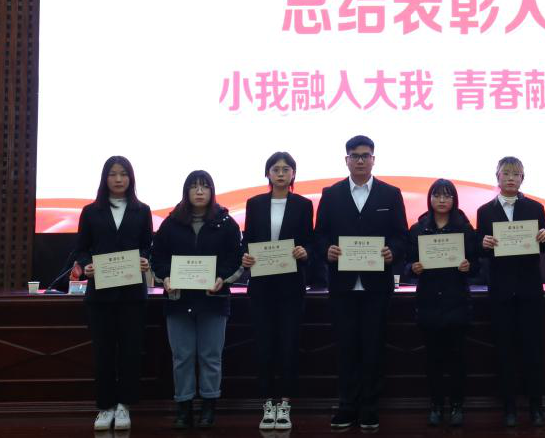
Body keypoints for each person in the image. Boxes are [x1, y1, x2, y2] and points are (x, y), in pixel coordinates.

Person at [314, 135, 408, 432]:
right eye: (354, 156)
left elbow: (402, 236)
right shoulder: (331, 194)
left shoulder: (390, 194)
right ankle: (346, 406)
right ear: (346, 160)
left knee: (373, 347)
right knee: (346, 348)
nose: (360, 160)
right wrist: (326, 250)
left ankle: (369, 407)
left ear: (373, 160)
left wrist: (393, 252)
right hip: (342, 285)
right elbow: (320, 235)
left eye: (365, 156)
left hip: (377, 285)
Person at [151, 170, 243, 429]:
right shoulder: (171, 223)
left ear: (212, 191)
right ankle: (184, 407)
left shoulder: (226, 223)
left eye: (205, 186)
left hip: (213, 300)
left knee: (210, 356)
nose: (199, 191)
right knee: (182, 356)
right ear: (186, 191)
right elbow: (157, 258)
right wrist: (165, 278)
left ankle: (209, 406)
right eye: (194, 187)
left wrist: (222, 279)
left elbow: (236, 259)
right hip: (178, 301)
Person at [74, 156, 154, 432]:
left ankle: (124, 406)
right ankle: (105, 406)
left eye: (123, 174)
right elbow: (81, 248)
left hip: (132, 295)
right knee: (103, 351)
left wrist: (145, 259)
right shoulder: (91, 211)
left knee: (130, 351)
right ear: (104, 178)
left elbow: (148, 246)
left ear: (131, 178)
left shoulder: (142, 210)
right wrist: (87, 265)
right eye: (113, 174)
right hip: (100, 295)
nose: (119, 179)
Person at [476, 156, 545, 427]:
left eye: (516, 174)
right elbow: (480, 251)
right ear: (497, 177)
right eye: (505, 173)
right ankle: (508, 408)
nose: (510, 178)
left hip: (530, 290)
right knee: (504, 351)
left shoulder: (535, 207)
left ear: (523, 178)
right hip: (500, 291)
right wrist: (483, 243)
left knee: (533, 350)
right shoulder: (485, 211)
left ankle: (536, 407)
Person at [240, 152, 314, 430]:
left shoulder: (303, 205)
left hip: (291, 286)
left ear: (293, 174)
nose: (281, 174)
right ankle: (267, 403)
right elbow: (247, 241)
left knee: (288, 344)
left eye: (286, 169)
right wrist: (246, 256)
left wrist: (305, 251)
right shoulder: (255, 203)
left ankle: (285, 403)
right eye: (275, 169)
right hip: (261, 286)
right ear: (267, 173)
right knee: (264, 344)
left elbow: (310, 241)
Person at [406, 179, 479, 427]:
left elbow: (477, 266)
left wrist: (469, 266)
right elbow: (406, 264)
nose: (442, 200)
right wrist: (413, 268)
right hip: (428, 302)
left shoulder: (465, 230)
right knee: (433, 360)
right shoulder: (418, 229)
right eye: (437, 195)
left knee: (458, 359)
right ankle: (436, 405)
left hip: (457, 301)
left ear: (454, 200)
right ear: (430, 199)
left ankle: (457, 405)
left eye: (447, 196)